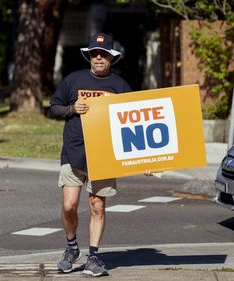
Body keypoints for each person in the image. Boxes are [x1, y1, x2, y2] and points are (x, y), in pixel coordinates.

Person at [50, 33, 152, 277]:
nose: (98, 57)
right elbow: (53, 108)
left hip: (104, 156)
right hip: (73, 153)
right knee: (69, 205)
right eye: (94, 53)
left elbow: (136, 126)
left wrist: (148, 159)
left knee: (97, 206)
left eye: (103, 54)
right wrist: (71, 108)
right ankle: (71, 247)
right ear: (89, 56)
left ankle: (93, 257)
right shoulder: (73, 80)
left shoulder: (120, 86)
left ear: (111, 59)